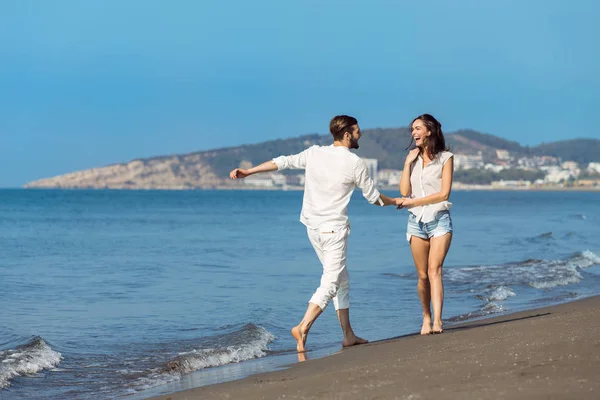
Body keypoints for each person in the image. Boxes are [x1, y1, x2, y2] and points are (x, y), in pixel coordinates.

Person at [230, 115, 404, 352]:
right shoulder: (355, 163)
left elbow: (282, 162)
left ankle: (348, 335)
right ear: (346, 135)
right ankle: (302, 326)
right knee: (331, 282)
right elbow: (374, 198)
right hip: (333, 230)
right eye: (357, 131)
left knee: (341, 280)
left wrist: (249, 171)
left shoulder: (314, 153)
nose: (360, 134)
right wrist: (395, 201)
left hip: (313, 229)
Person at [399, 114, 454, 335]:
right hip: (415, 222)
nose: (414, 133)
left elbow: (443, 193)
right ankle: (426, 316)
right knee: (422, 276)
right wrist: (406, 163)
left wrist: (412, 201)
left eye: (418, 128)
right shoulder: (413, 160)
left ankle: (438, 321)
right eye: (412, 129)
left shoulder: (446, 158)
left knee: (435, 270)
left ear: (429, 131)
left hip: (439, 220)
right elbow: (404, 192)